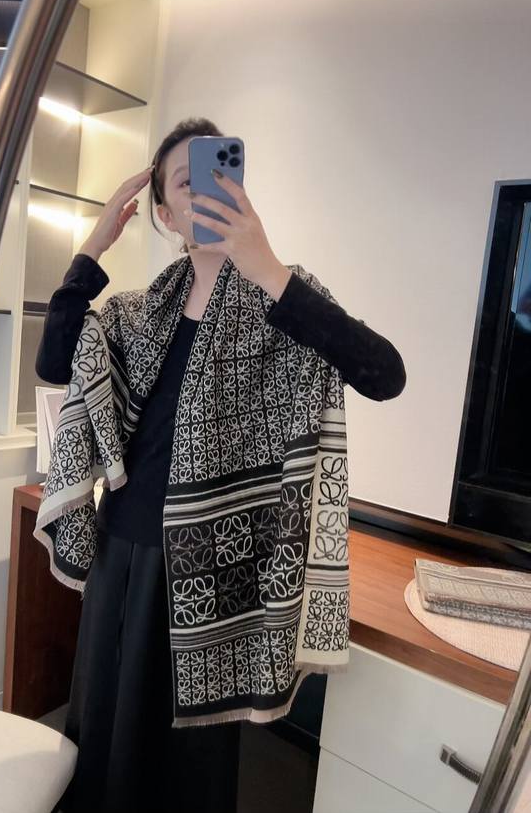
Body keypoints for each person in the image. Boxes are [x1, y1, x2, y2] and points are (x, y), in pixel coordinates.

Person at [37, 118, 406, 813]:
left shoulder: (284, 297)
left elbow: (385, 374)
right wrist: (93, 246)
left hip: (219, 572)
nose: (207, 193)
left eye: (220, 174)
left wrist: (269, 270)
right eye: (186, 183)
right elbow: (55, 361)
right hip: (124, 554)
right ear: (164, 213)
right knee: (105, 743)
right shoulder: (137, 313)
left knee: (189, 772)